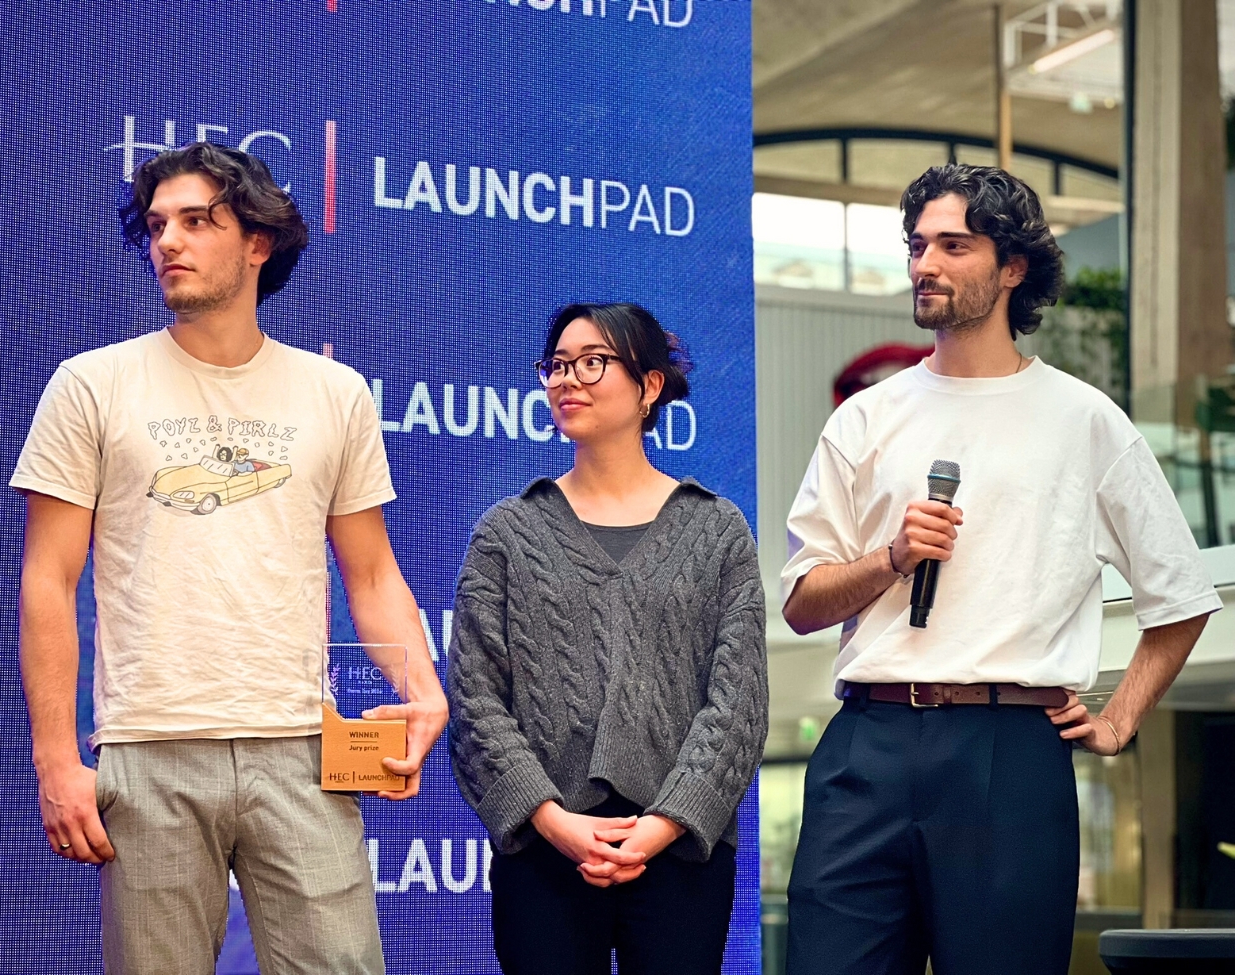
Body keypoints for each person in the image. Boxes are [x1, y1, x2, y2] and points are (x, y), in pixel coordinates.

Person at [12, 141, 448, 975]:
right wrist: (57, 760)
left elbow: (371, 571)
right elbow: (48, 579)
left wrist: (424, 689)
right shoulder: (90, 384)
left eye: (195, 221)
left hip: (304, 748)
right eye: (156, 226)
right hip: (150, 747)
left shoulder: (336, 393)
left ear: (257, 241)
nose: (168, 241)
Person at [781, 163, 1222, 975]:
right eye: (917, 245)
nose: (925, 263)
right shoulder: (865, 417)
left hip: (1009, 748)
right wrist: (892, 557)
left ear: (1013, 266)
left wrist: (1119, 718)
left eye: (953, 245)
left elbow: (1182, 595)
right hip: (866, 743)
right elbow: (803, 603)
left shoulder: (1084, 419)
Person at [446, 302, 768, 975]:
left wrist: (664, 824)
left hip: (681, 849)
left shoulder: (717, 530)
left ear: (650, 385)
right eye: (557, 365)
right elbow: (476, 699)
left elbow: (738, 702)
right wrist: (551, 819)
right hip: (545, 850)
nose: (568, 380)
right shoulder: (507, 532)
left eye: (592, 362)